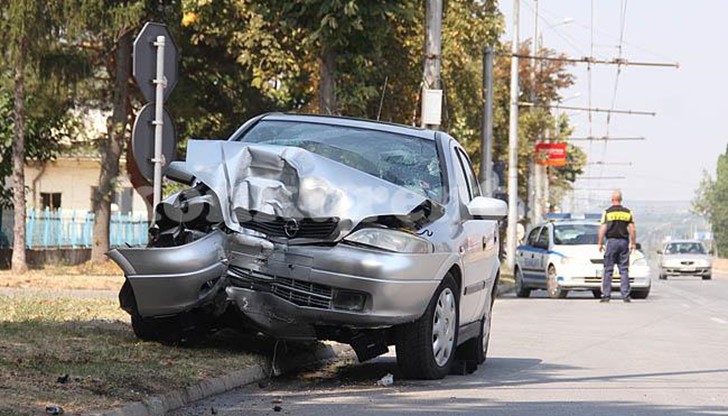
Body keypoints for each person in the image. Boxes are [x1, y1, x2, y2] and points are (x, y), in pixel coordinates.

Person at [597, 189, 636, 303]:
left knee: (608, 269)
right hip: (623, 242)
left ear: (612, 199)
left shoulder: (607, 212)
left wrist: (600, 242)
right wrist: (633, 243)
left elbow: (603, 228)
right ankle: (625, 295)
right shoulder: (627, 212)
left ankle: (606, 295)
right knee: (623, 269)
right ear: (621, 199)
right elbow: (632, 229)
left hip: (612, 242)